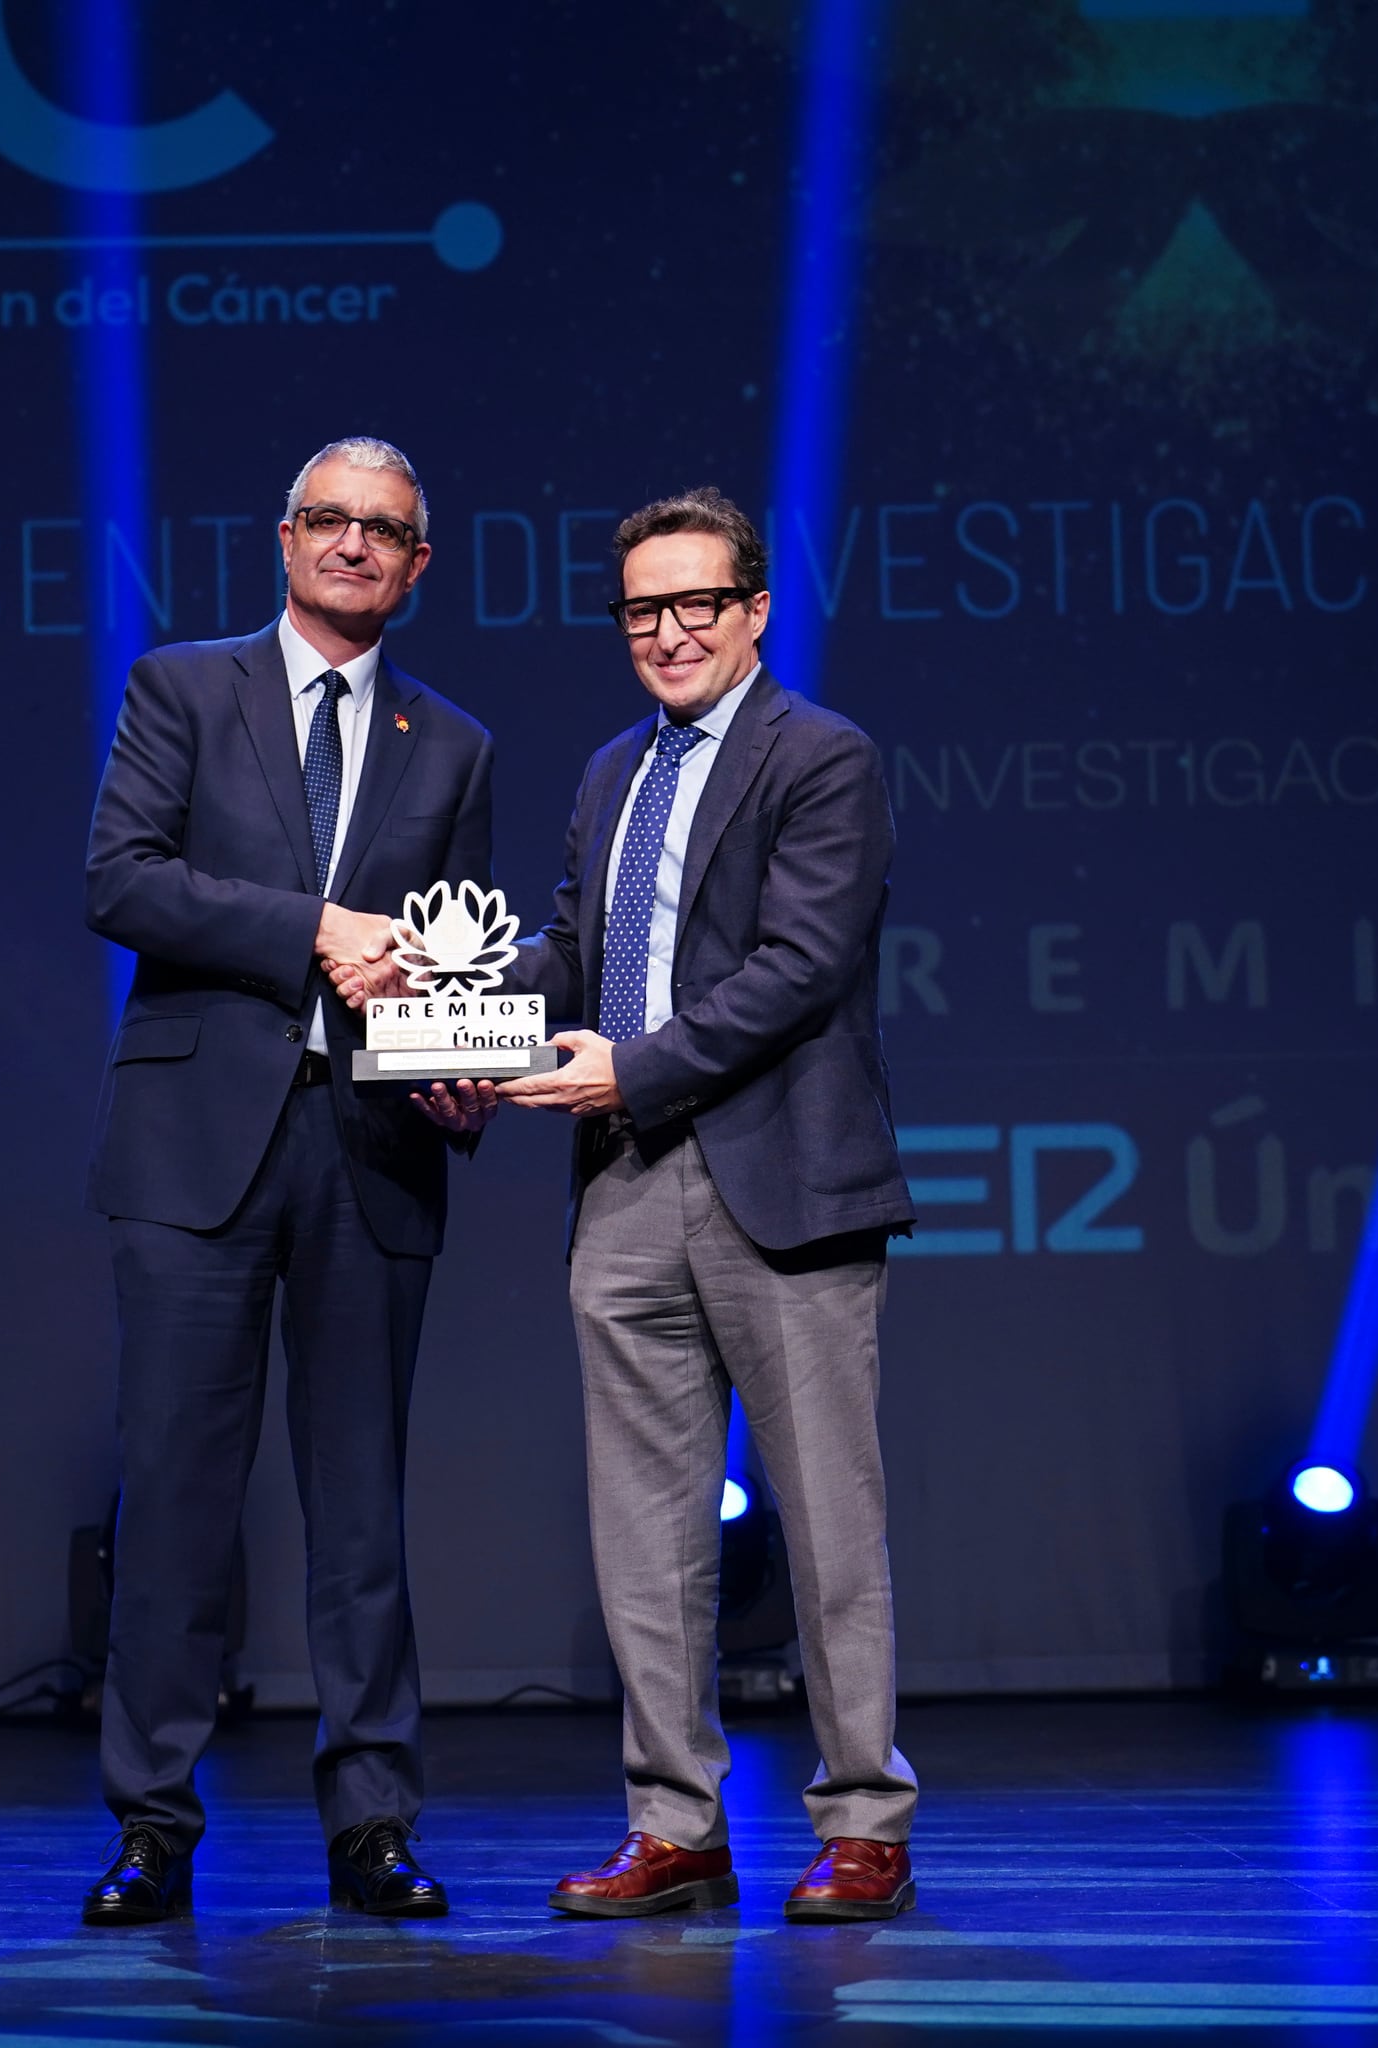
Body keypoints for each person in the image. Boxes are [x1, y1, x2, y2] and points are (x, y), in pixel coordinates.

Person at [377, 485, 920, 1921]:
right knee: (644, 1528)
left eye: (697, 605)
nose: (669, 632)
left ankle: (866, 1818)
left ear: (752, 612)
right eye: (642, 609)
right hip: (625, 1185)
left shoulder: (826, 758)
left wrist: (633, 1071)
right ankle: (675, 1821)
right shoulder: (616, 770)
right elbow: (571, 946)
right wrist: (469, 1041)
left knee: (826, 1525)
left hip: (782, 1180)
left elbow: (800, 966)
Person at [79, 436, 498, 1925]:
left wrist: (463, 1070)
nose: (355, 546)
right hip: (196, 1149)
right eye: (330, 520)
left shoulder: (453, 745)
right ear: (283, 538)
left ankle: (373, 1825)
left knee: (362, 1512)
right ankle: (152, 1826)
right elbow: (117, 879)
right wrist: (311, 927)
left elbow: (462, 954)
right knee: (179, 1501)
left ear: (419, 565)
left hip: (369, 1152)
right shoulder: (185, 688)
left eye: (386, 530)